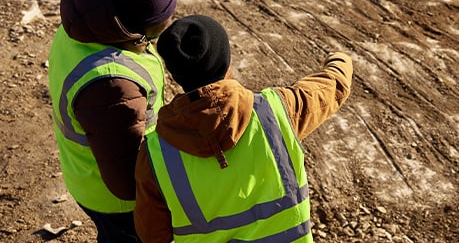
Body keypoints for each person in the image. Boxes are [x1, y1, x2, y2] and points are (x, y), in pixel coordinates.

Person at [134, 15, 353, 242]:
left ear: (175, 74)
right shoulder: (277, 111)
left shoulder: (154, 157)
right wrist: (339, 59)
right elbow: (332, 87)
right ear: (226, 62)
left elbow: (151, 235)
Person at [48, 0, 178, 242]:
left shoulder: (86, 23)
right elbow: (126, 182)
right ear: (132, 28)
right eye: (156, 29)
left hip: (86, 171)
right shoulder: (111, 86)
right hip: (117, 201)